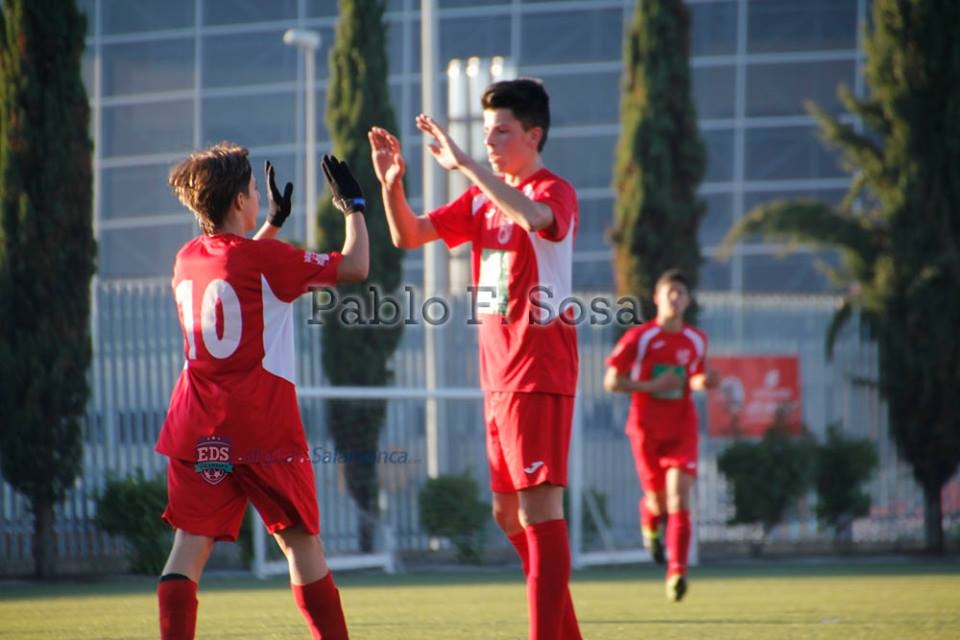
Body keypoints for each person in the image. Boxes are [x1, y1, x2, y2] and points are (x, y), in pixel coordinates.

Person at [369, 78, 581, 640]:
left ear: (534, 135)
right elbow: (408, 235)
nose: (490, 142)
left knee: (540, 512)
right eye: (485, 133)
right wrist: (393, 185)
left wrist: (464, 166)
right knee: (508, 516)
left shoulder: (553, 191)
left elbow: (535, 218)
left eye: (502, 131)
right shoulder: (480, 201)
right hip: (498, 377)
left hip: (538, 370)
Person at [155, 143, 369, 640]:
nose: (257, 195)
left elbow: (235, 269)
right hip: (260, 427)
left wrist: (271, 221)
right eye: (252, 190)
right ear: (236, 202)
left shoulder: (186, 259)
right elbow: (356, 266)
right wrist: (354, 209)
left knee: (189, 546)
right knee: (300, 544)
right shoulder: (267, 259)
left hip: (195, 427)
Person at [603, 269, 719, 602]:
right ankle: (649, 521)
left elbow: (694, 378)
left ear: (687, 300)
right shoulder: (640, 338)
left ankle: (677, 572)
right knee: (658, 501)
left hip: (682, 427)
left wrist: (705, 382)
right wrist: (652, 386)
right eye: (669, 292)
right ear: (656, 297)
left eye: (680, 293)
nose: (674, 298)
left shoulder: (696, 339)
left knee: (680, 498)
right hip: (646, 428)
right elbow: (611, 381)